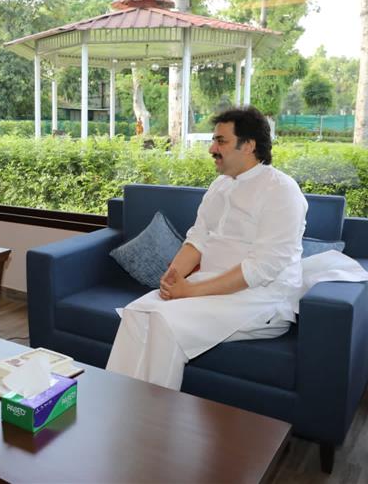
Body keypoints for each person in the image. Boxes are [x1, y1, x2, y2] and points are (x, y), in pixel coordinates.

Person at [106, 106, 308, 390]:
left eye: (221, 141)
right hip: (209, 289)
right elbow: (198, 238)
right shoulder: (219, 185)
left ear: (248, 145)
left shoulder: (282, 191)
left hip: (260, 298)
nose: (212, 148)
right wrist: (174, 276)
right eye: (214, 140)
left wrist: (188, 291)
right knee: (136, 314)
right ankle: (118, 406)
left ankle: (153, 426)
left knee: (164, 322)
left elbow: (261, 268)